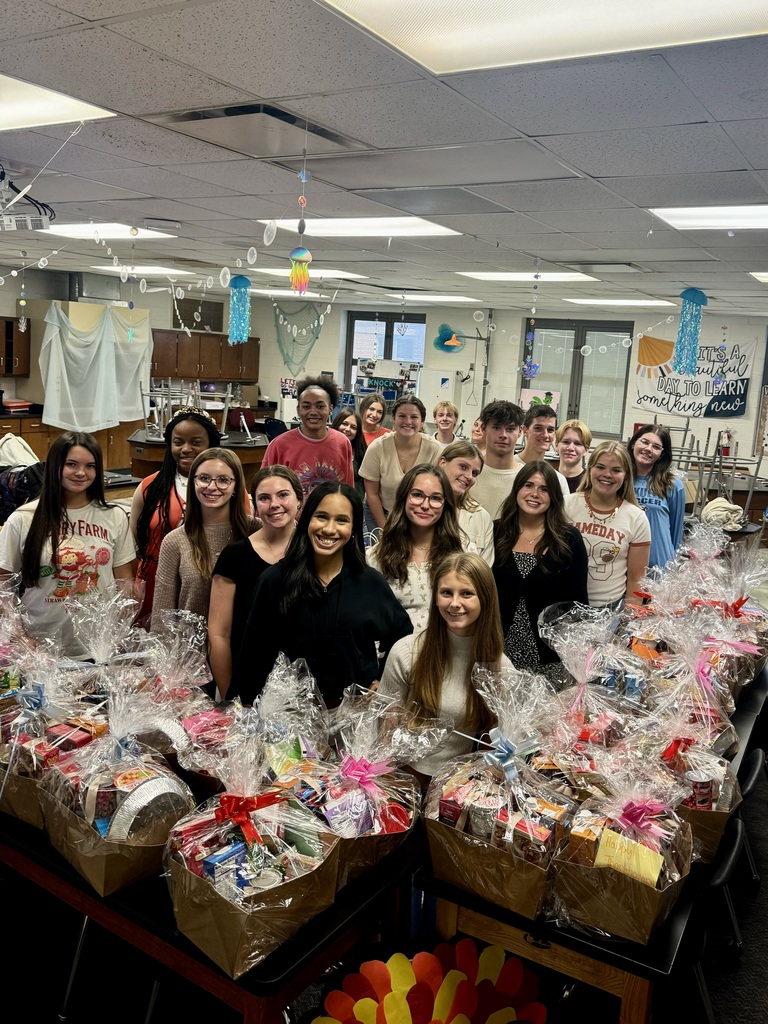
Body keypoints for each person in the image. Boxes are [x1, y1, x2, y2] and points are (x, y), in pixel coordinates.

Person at [229, 482, 412, 707]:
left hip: (355, 716)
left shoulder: (369, 582)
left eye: (342, 520)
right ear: (306, 520)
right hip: (290, 718)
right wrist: (241, 708)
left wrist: (383, 680)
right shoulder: (275, 580)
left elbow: (402, 634)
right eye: (322, 517)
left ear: (354, 528)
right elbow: (253, 654)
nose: (329, 529)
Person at [0, 431, 135, 658]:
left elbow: (125, 584)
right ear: (54, 466)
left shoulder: (115, 516)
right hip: (38, 647)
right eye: (71, 464)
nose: (81, 473)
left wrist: (118, 635)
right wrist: (20, 636)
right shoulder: (23, 518)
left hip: (97, 647)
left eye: (90, 466)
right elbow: (3, 585)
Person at [379, 552, 509, 780]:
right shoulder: (407, 652)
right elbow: (383, 733)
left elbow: (497, 747)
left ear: (485, 599)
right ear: (436, 597)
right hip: (401, 780)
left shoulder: (501, 669)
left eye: (467, 594)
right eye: (446, 593)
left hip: (457, 788)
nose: (455, 603)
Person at [208, 465, 302, 698]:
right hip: (248, 685)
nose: (274, 504)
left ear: (299, 500)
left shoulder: (316, 551)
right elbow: (219, 634)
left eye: (283, 494)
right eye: (264, 498)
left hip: (306, 685)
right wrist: (231, 696)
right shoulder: (235, 556)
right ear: (256, 507)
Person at [494, 461, 588, 678]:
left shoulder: (568, 539)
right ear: (517, 489)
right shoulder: (495, 531)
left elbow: (577, 605)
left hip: (550, 657)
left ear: (553, 496)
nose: (534, 494)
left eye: (544, 489)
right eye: (528, 485)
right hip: (497, 652)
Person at [131, 407, 221, 624]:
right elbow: (133, 539)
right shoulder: (150, 487)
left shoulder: (227, 489)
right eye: (178, 441)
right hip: (154, 580)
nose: (186, 449)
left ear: (211, 444)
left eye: (196, 442)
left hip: (204, 584)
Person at [151, 448, 253, 632]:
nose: (212, 487)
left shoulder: (256, 531)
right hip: (190, 656)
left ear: (236, 486)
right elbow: (162, 619)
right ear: (193, 483)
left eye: (223, 480)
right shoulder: (175, 541)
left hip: (245, 651)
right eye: (204, 478)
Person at [367, 464, 464, 632]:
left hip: (447, 650)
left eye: (435, 498)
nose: (425, 505)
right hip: (393, 653)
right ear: (404, 498)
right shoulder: (376, 556)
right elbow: (369, 617)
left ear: (445, 504)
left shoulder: (462, 553)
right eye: (417, 495)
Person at [566, 442, 651, 607]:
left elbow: (636, 579)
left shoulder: (637, 518)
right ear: (590, 469)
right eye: (600, 467)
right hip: (564, 603)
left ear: (626, 475)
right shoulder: (565, 505)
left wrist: (628, 621)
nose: (607, 474)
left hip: (609, 609)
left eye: (616, 470)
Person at [261, 375, 353, 498]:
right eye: (306, 406)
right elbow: (263, 488)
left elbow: (348, 489)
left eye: (320, 406)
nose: (313, 412)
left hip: (331, 516)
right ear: (298, 410)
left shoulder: (342, 443)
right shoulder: (279, 445)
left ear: (330, 409)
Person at [359, 394, 442, 531]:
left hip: (420, 514)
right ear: (393, 419)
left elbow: (438, 492)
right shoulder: (378, 447)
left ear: (422, 422)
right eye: (402, 416)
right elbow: (371, 494)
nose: (408, 421)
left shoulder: (434, 449)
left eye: (414, 417)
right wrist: (385, 530)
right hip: (382, 512)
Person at [627, 424, 686, 570]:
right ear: (634, 442)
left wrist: (674, 567)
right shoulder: (619, 479)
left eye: (656, 447)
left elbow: (676, 532)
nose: (648, 449)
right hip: (623, 565)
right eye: (645, 442)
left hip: (660, 566)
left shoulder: (672, 485)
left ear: (661, 454)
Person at [438, 440, 494, 564]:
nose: (469, 476)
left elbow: (483, 570)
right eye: (463, 467)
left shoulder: (481, 516)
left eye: (475, 473)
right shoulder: (420, 506)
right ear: (442, 462)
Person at [469, 399, 525, 520]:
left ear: (520, 431)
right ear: (483, 429)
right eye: (496, 427)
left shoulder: (526, 477)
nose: (503, 435)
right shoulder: (469, 473)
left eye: (510, 429)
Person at [518, 406, 570, 498]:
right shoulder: (509, 468)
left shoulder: (558, 480)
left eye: (550, 430)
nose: (545, 435)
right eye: (538, 428)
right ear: (525, 430)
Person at [331, 408, 367, 501]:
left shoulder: (361, 453)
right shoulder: (326, 449)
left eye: (353, 427)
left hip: (356, 504)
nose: (347, 429)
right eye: (344, 424)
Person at [556, 418, 592, 493]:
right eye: (566, 442)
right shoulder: (547, 478)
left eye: (577, 443)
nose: (570, 448)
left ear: (586, 450)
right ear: (556, 446)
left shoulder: (590, 483)